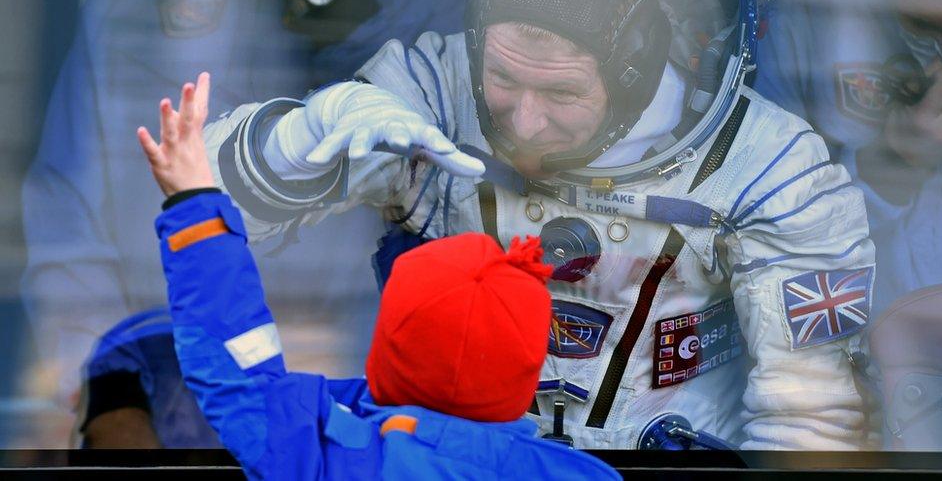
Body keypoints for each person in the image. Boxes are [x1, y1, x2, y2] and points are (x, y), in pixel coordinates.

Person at [193, 0, 877, 449]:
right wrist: (296, 139)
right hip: (457, 458)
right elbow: (206, 198)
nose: (523, 122)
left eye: (560, 94)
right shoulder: (436, 89)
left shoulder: (770, 168)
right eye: (505, 83)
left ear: (633, 75)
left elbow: (809, 416)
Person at [20, 0, 497, 447]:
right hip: (172, 409)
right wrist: (111, 396)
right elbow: (70, 217)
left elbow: (470, 217)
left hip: (365, 417)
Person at [136, 73, 620, 479]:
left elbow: (237, 369)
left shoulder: (336, 456)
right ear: (529, 365)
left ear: (390, 340)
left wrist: (194, 204)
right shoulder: (581, 475)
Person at [753, 0, 942, 313]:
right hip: (856, 335)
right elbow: (758, 234)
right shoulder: (802, 25)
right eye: (925, 23)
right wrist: (895, 162)